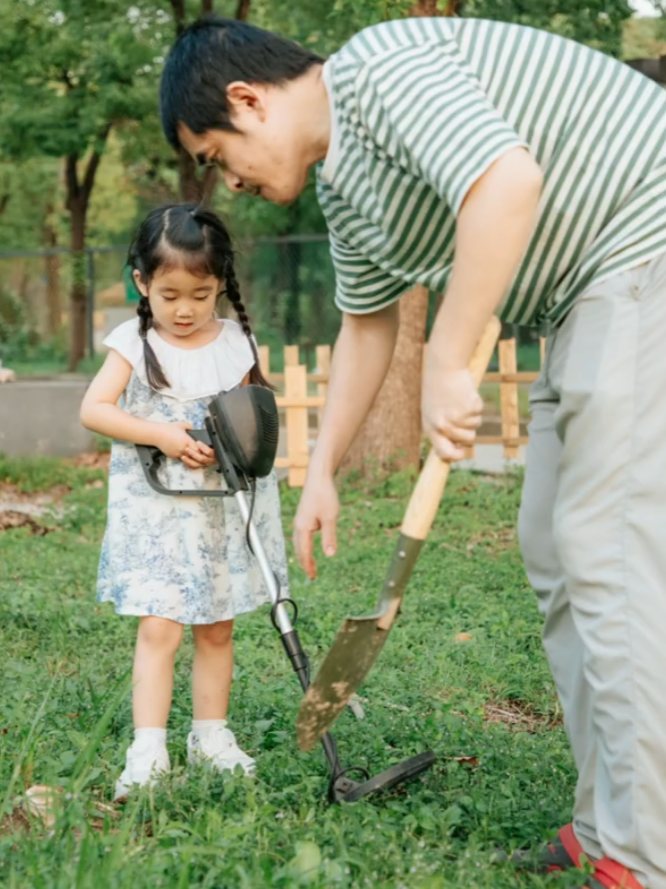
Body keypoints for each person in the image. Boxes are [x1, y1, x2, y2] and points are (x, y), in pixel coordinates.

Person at [159, 16, 666, 889]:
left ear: (248, 101)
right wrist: (320, 471)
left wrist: (449, 356)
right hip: (584, 301)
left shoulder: (379, 70)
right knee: (555, 547)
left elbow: (506, 180)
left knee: (608, 559)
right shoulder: (346, 188)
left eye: (216, 153)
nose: (227, 182)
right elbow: (367, 325)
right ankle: (606, 821)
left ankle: (644, 854)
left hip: (641, 249)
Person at [80, 203, 289, 799]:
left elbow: (257, 420)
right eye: (170, 294)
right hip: (161, 513)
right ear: (143, 283)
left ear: (220, 283)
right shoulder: (133, 341)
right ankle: (147, 748)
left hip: (222, 512)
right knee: (160, 628)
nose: (186, 309)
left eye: (200, 293)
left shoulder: (236, 343)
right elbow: (95, 410)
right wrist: (165, 434)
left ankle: (210, 736)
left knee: (217, 628)